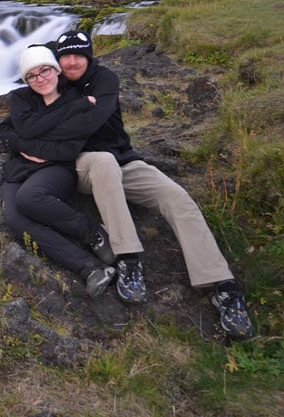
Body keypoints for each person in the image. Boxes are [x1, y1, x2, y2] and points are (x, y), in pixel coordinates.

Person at [52, 29, 254, 340]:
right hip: (83, 165)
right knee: (103, 162)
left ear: (89, 55)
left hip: (124, 160)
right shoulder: (50, 81)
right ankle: (129, 258)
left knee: (176, 196)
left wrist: (65, 118)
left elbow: (95, 120)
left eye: (79, 54)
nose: (72, 61)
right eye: (65, 55)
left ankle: (221, 285)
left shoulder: (105, 79)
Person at [0, 45, 117, 297]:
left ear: (55, 70)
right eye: (32, 75)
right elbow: (8, 130)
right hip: (19, 167)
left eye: (45, 70)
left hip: (58, 167)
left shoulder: (75, 99)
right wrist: (23, 144)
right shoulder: (22, 98)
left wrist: (29, 140)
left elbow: (67, 149)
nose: (40, 79)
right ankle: (91, 268)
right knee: (13, 217)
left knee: (30, 197)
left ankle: (93, 232)